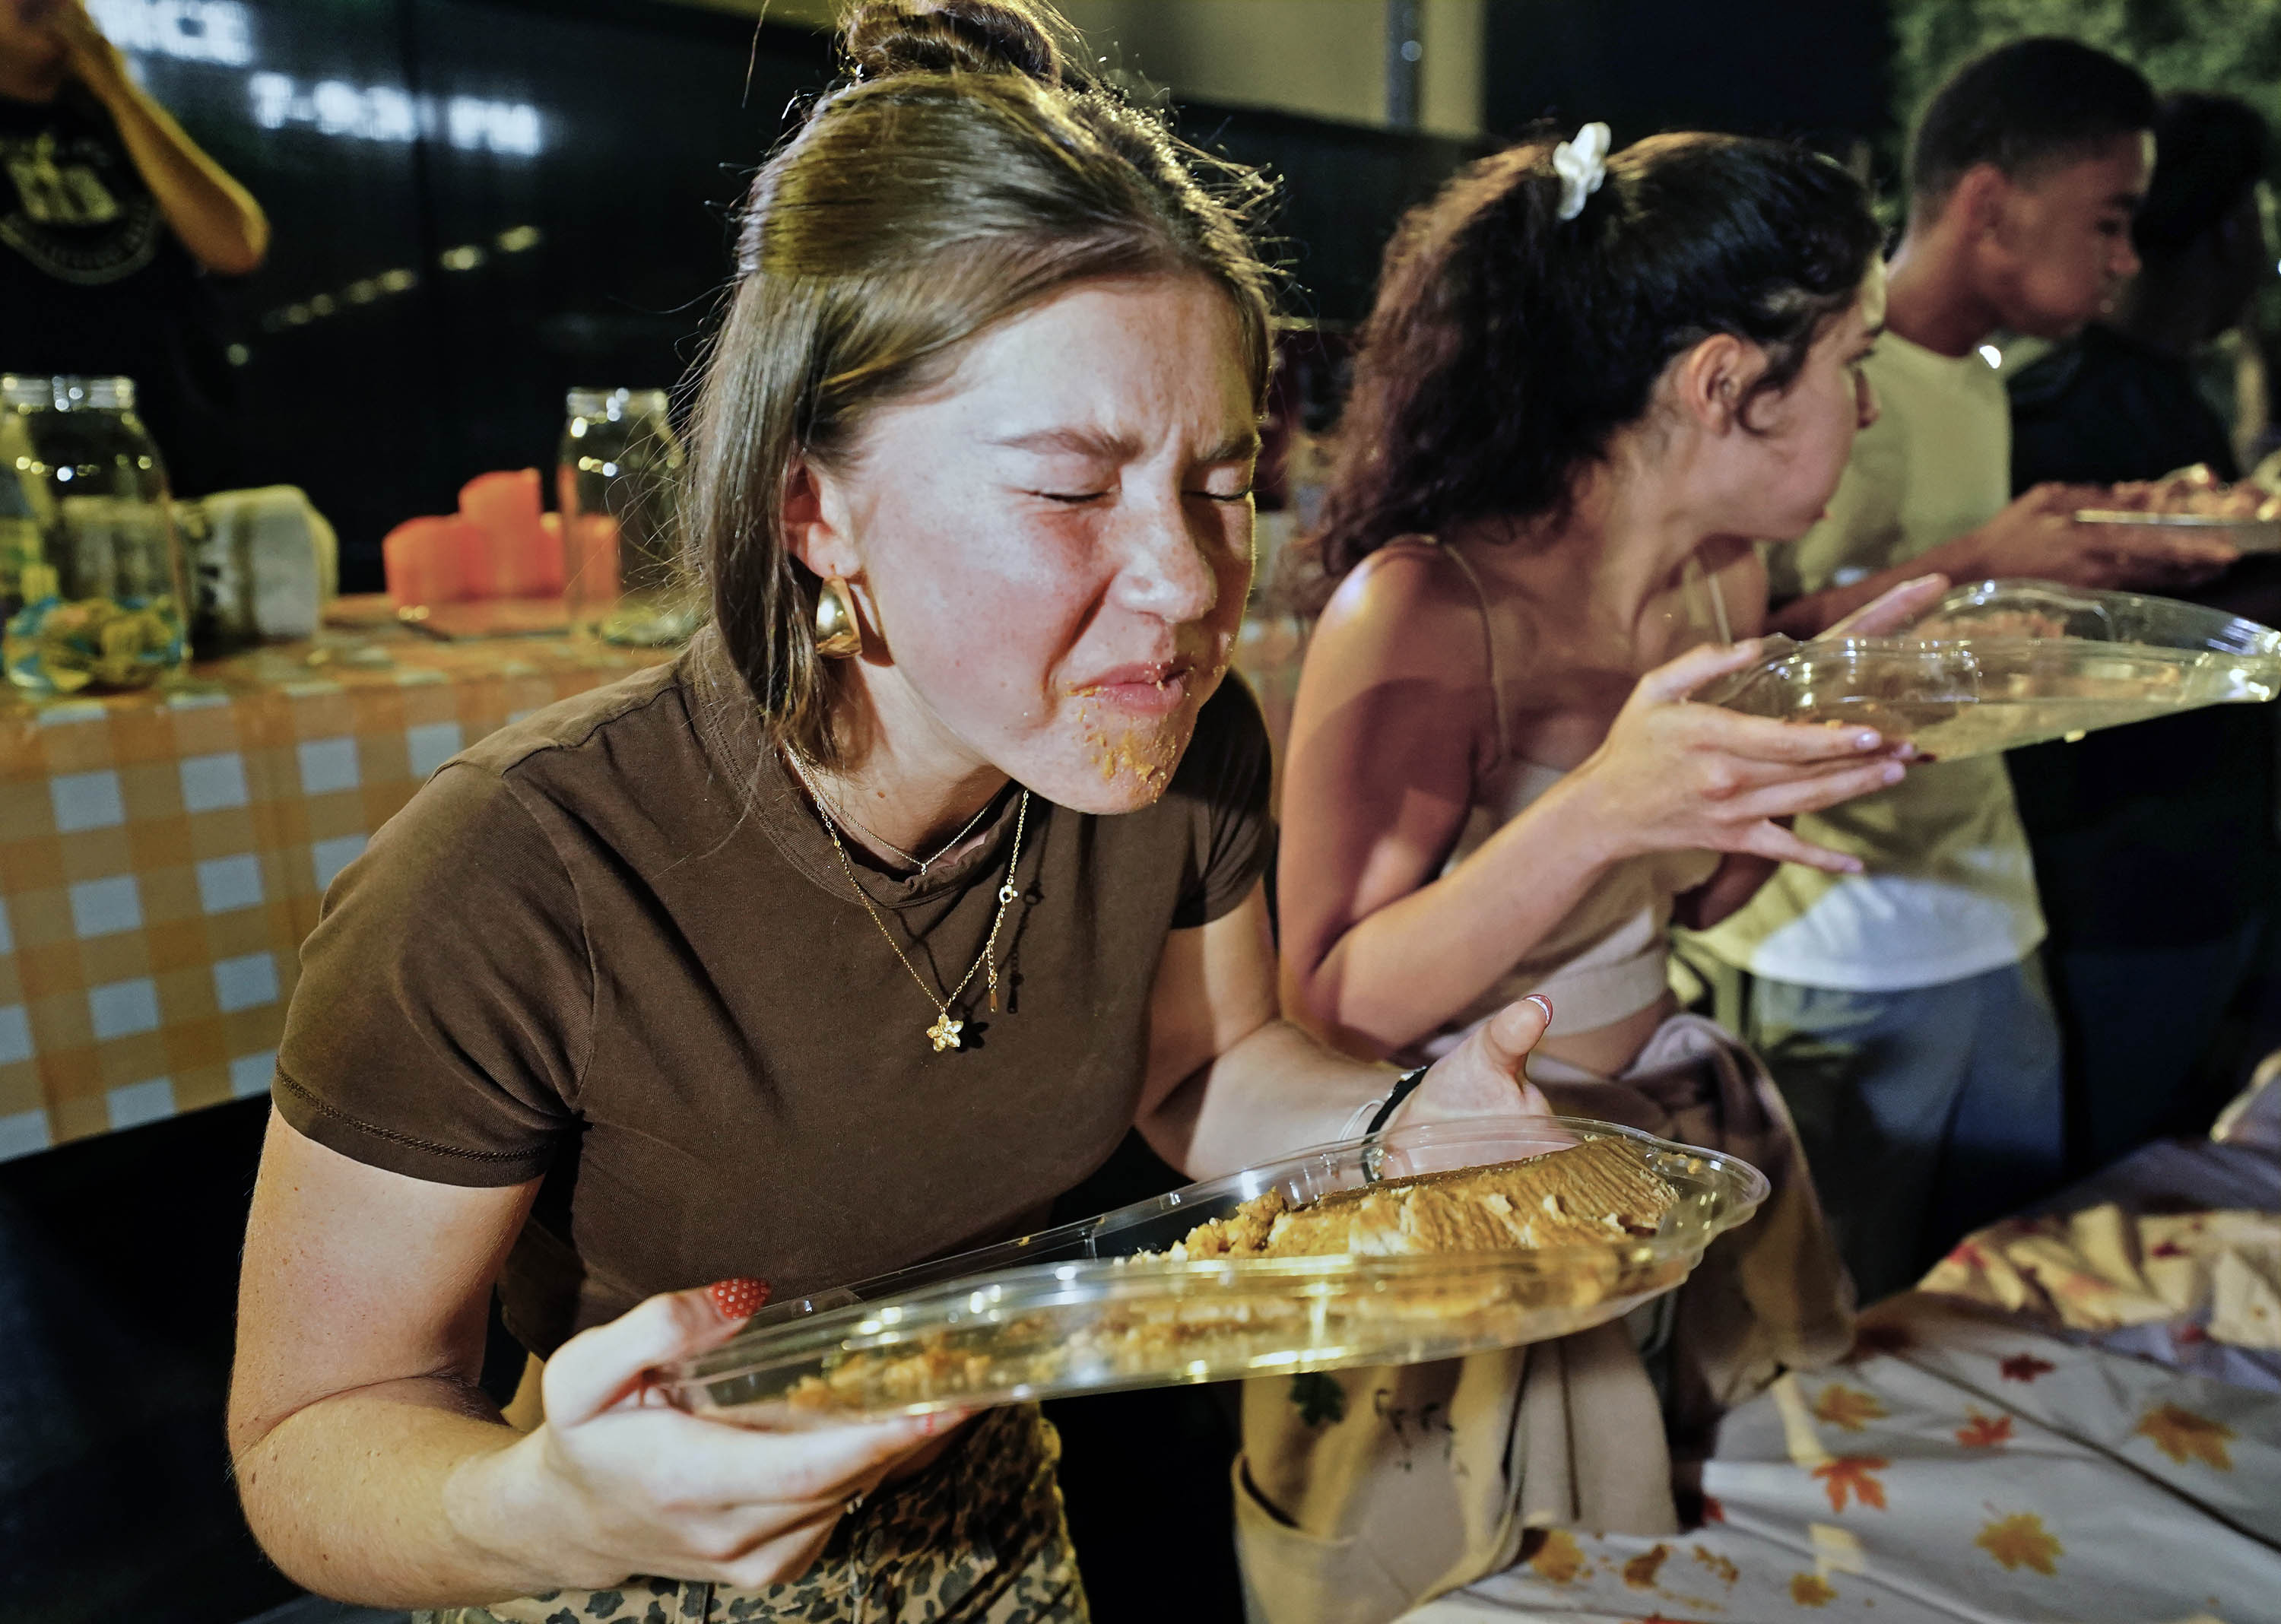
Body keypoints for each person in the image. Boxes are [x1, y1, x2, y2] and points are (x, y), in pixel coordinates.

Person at [224, 5, 1560, 1621]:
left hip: (995, 1522)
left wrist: (1396, 1130)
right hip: (629, 1555)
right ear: (813, 508)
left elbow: (1199, 1069)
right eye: (1071, 488)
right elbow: (310, 1434)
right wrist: (547, 1513)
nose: (1190, 580)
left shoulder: (1176, 743)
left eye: (1221, 483)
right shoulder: (518, 872)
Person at [1247, 127, 1899, 1624]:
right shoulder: (1427, 606)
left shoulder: (1721, 582)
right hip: (1463, 1214)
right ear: (1724, 381)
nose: (1870, 407)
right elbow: (1328, 1001)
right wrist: (1599, 811)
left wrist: (1804, 776)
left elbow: (1677, 907)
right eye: (1854, 362)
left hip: (1658, 1162)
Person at [1677, 39, 2238, 1302]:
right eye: (2109, 220)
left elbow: (1957, 639)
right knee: (1828, 1317)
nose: (2126, 259)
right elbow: (1722, 659)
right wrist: (1982, 562)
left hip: (1989, 914)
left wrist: (2089, 573)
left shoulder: (1980, 381)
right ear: (1991, 205)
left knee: (2008, 1295)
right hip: (1834, 938)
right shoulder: (1803, 378)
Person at [2004, 93, 2281, 1172]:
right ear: (2223, 233)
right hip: (2121, 881)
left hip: (2198, 864)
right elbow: (2084, 643)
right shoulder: (2062, 410)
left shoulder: (2171, 394)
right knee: (2096, 1179)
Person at [0, 0, 265, 490]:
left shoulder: (123, 126)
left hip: (166, 466)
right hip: (20, 480)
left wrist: (119, 92)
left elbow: (235, 247)